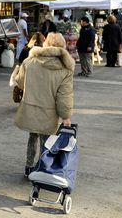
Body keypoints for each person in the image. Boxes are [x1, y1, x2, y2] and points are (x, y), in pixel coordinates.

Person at [13, 32, 74, 177]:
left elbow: (20, 83)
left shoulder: (29, 61)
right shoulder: (65, 68)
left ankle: (28, 166)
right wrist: (66, 116)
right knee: (46, 141)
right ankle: (41, 168)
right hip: (49, 111)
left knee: (32, 136)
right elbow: (64, 96)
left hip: (30, 107)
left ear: (46, 44)